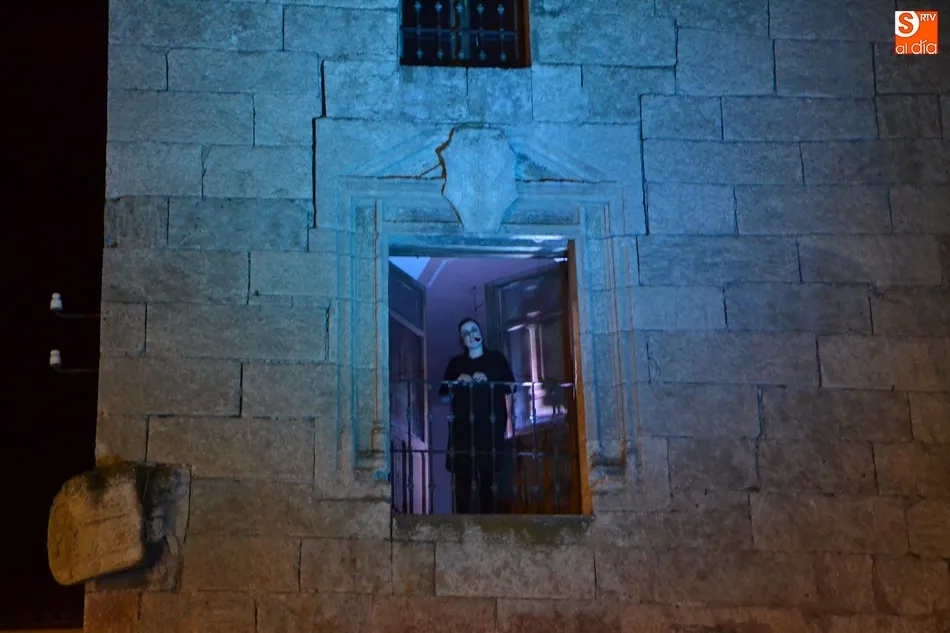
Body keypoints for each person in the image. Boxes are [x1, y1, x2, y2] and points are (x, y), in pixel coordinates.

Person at [439, 318, 516, 514]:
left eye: (473, 330)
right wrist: (456, 382)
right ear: (462, 341)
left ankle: (489, 521)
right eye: (465, 333)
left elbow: (512, 386)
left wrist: (489, 380)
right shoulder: (456, 364)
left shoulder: (496, 359)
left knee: (488, 477)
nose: (471, 335)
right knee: (463, 477)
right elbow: (443, 396)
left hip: (490, 428)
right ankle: (462, 520)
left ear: (480, 332)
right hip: (463, 429)